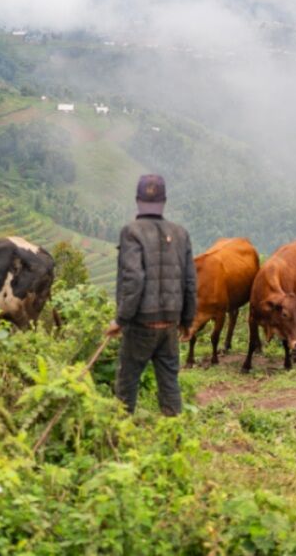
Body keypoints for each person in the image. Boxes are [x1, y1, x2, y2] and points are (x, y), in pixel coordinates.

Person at [106, 174, 197, 416]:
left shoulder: (131, 231)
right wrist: (188, 321)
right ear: (164, 201)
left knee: (126, 383)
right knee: (169, 383)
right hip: (169, 324)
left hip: (140, 324)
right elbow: (189, 281)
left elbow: (134, 278)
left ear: (137, 200)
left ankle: (120, 438)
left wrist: (120, 319)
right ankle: (174, 437)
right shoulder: (180, 234)